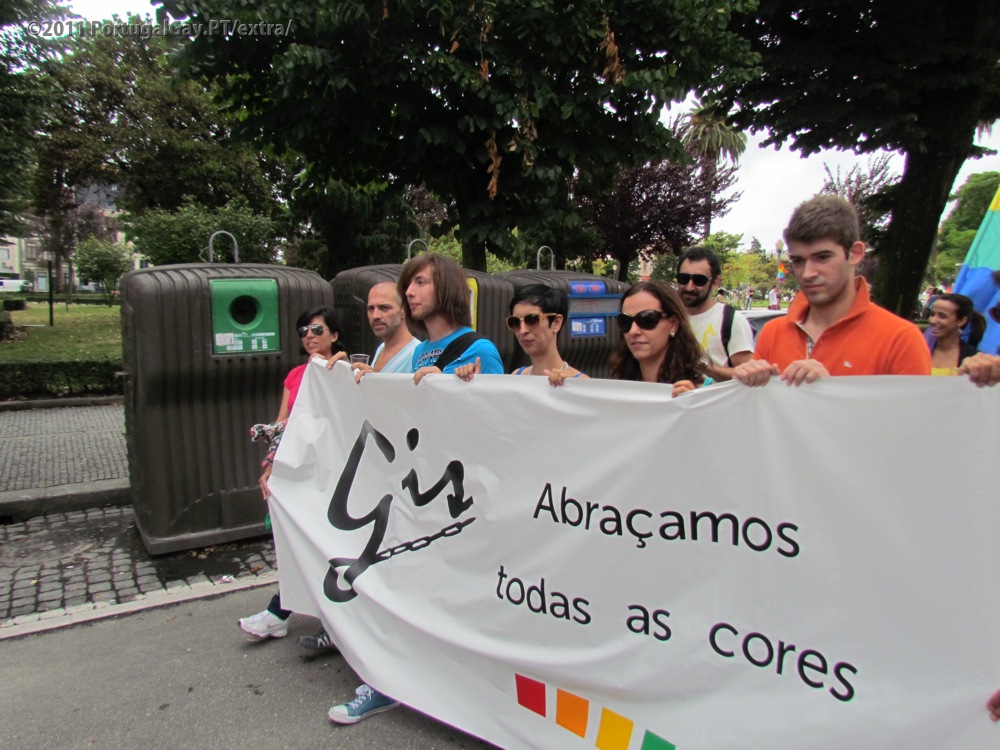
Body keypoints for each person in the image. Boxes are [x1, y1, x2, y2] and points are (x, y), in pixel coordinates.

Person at [327, 254, 505, 726]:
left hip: (458, 499)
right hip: (421, 492)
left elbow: (499, 424)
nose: (410, 292)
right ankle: (389, 682)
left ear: (445, 287)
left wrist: (462, 385)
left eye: (421, 282)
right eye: (409, 284)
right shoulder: (422, 351)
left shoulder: (480, 348)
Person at [734, 195, 933, 387]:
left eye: (822, 257)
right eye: (798, 261)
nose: (807, 273)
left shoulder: (901, 339)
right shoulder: (773, 333)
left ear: (855, 253)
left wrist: (832, 393)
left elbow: (913, 411)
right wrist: (745, 385)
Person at [239, 307, 347, 643]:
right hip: (300, 471)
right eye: (304, 331)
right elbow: (281, 426)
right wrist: (271, 466)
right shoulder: (295, 375)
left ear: (334, 335)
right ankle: (283, 613)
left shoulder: (340, 370)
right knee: (296, 541)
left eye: (317, 329)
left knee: (325, 543)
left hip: (331, 473)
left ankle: (292, 615)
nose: (309, 336)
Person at [454, 284, 587, 384]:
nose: (522, 330)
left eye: (532, 319)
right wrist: (474, 383)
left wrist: (571, 388)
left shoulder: (580, 383)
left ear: (556, 323)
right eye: (515, 322)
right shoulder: (517, 376)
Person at [611, 279, 711, 397]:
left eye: (647, 319)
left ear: (673, 324)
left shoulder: (704, 395)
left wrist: (694, 403)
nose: (633, 331)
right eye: (625, 321)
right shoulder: (618, 392)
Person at [676, 246, 754, 381]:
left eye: (699, 280)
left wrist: (705, 367)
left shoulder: (732, 320)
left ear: (715, 282)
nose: (689, 287)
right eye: (683, 278)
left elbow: (748, 376)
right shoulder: (668, 316)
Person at [926, 293, 986, 375]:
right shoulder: (920, 347)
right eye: (932, 314)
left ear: (961, 321)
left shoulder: (973, 358)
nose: (933, 320)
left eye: (942, 316)